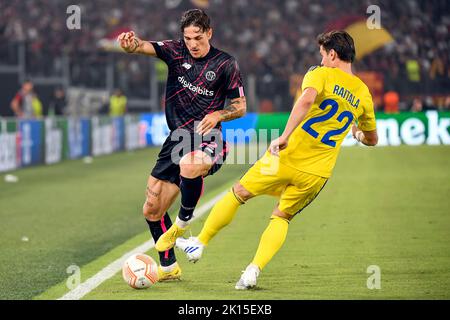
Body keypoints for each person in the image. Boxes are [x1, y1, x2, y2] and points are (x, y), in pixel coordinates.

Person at [177, 30, 378, 289]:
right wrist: (357, 133)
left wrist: (283, 135)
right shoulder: (363, 93)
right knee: (281, 217)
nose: (322, 60)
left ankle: (199, 243)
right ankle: (252, 271)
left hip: (284, 156)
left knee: (238, 193)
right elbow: (372, 139)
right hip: (318, 172)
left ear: (332, 54)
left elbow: (306, 100)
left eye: (323, 55)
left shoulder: (319, 73)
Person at [117, 9, 246, 281]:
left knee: (190, 164)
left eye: (198, 37)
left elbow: (240, 106)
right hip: (176, 139)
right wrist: (131, 45)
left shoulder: (226, 64)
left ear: (209, 33)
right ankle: (168, 267)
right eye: (188, 38)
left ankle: (182, 225)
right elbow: (142, 46)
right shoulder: (175, 51)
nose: (193, 44)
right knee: (151, 210)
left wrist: (218, 114)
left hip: (209, 137)